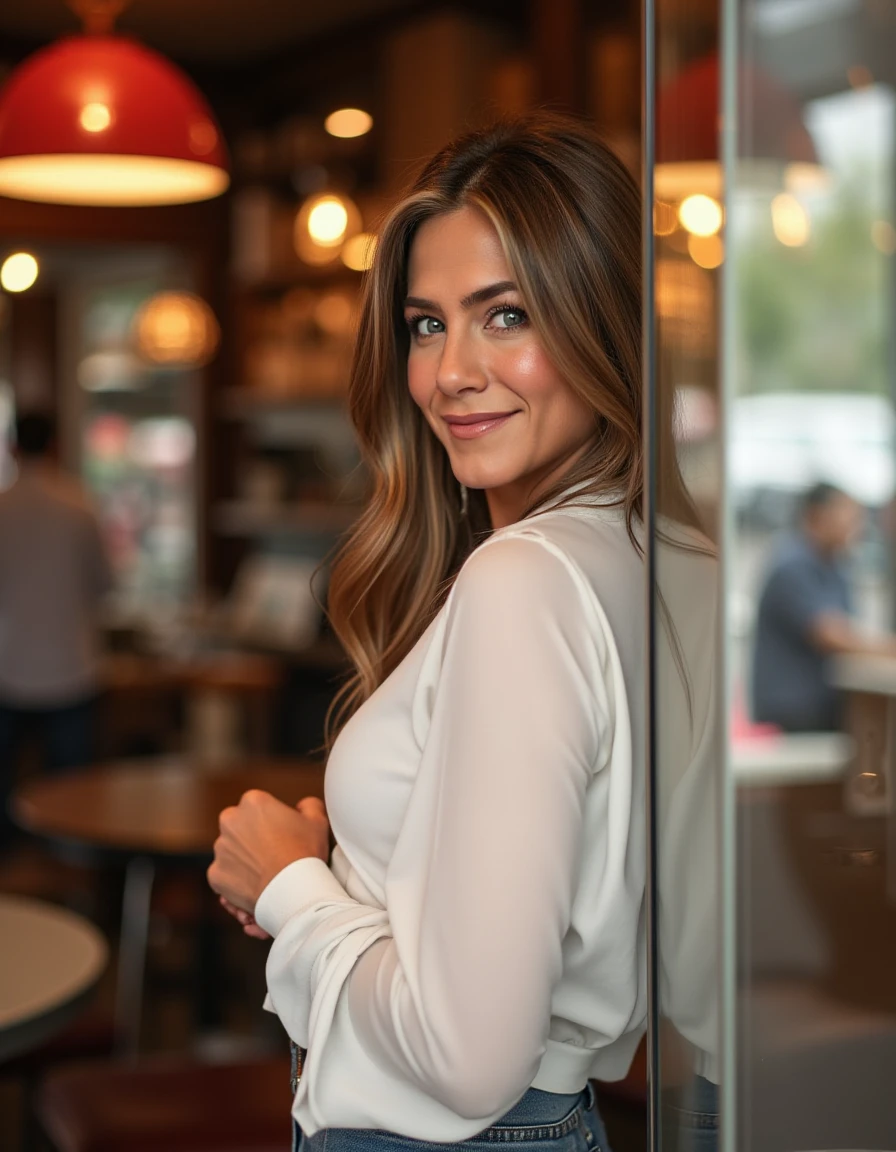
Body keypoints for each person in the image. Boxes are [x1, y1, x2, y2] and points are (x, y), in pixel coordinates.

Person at [207, 114, 718, 1152]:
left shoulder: (523, 579)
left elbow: (466, 1058)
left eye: (505, 315)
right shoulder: (679, 562)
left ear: (601, 324)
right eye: (426, 324)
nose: (448, 374)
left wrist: (292, 883)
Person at [0, 411, 113, 829]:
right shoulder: (79, 507)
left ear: (12, 447)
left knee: (4, 790)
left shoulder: (1, 507)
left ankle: (11, 876)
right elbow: (104, 584)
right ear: (55, 446)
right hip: (71, 664)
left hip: (8, 664)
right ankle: (70, 876)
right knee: (73, 792)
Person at [751, 481, 894, 732]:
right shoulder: (791, 564)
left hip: (826, 709)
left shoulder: (837, 569)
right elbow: (833, 636)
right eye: (848, 515)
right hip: (791, 714)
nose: (856, 526)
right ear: (817, 515)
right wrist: (888, 648)